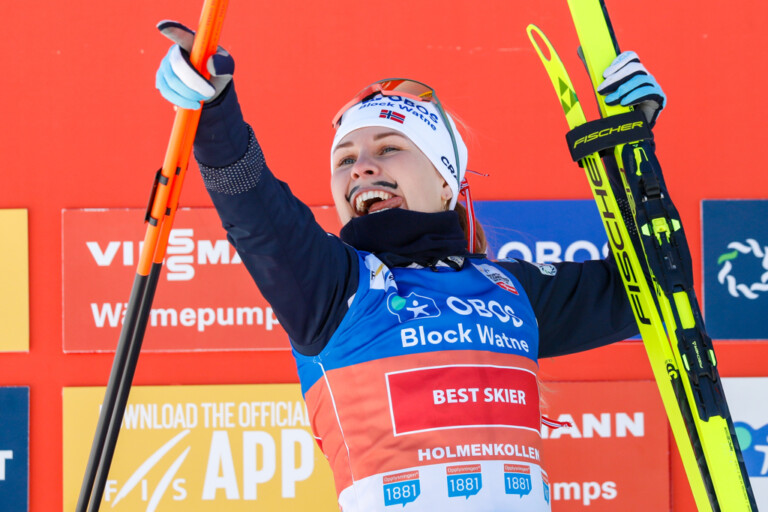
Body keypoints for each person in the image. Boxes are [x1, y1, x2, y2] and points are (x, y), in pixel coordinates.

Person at [155, 20, 666, 512]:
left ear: (447, 182)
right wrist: (215, 111)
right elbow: (256, 213)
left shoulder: (510, 291)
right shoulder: (336, 290)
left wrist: (633, 149)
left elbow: (658, 284)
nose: (362, 168)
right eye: (344, 159)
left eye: (389, 148)